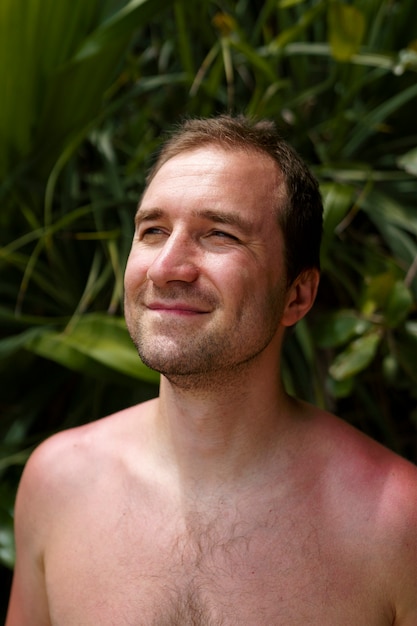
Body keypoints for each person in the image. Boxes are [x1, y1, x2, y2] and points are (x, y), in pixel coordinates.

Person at [6, 114, 417, 625]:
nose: (166, 267)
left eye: (219, 234)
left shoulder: (397, 523)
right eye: (152, 230)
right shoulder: (57, 483)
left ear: (298, 295)